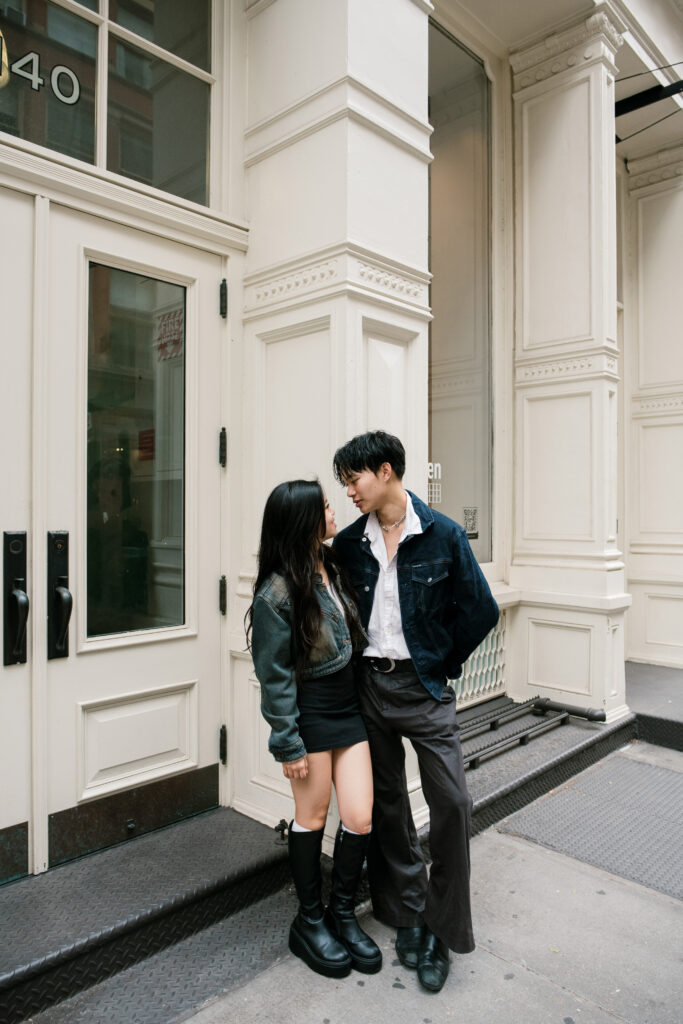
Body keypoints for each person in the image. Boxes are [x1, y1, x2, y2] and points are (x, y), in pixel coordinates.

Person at [332, 430, 499, 993]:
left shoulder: (444, 535)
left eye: (353, 479)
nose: (349, 491)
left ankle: (441, 925)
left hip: (424, 689)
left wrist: (441, 663)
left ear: (384, 472)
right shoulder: (351, 544)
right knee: (388, 801)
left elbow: (482, 610)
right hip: (369, 689)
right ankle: (405, 911)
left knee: (452, 800)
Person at [246, 479, 382, 979]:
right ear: (304, 518)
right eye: (325, 504)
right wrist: (288, 742)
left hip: (349, 710)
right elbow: (273, 674)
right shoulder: (276, 592)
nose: (333, 509)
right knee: (312, 815)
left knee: (361, 816)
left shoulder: (333, 566)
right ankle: (309, 921)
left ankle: (341, 914)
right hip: (311, 714)